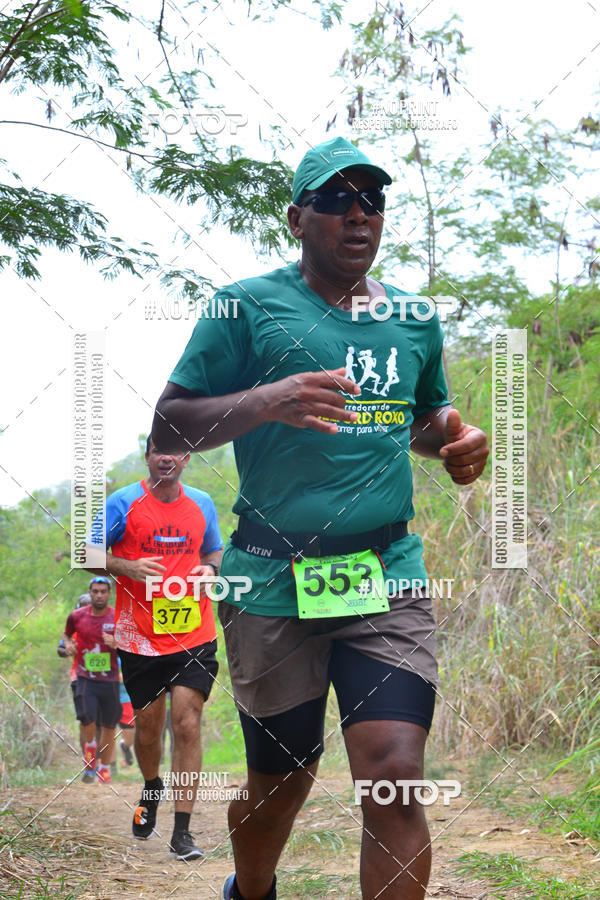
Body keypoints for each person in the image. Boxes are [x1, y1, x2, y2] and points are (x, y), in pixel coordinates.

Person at [151, 136, 489, 900]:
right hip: (272, 579)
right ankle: (254, 886)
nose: (358, 215)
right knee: (280, 782)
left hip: (384, 575)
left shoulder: (411, 318)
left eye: (372, 200)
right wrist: (266, 401)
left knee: (396, 773)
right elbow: (168, 428)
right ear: (298, 219)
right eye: (336, 200)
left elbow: (423, 417)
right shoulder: (245, 307)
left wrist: (456, 443)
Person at [88, 437, 223, 860]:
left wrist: (211, 568)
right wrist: (125, 566)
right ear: (147, 456)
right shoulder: (122, 503)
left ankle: (182, 832)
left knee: (187, 723)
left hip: (194, 633)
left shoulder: (202, 502)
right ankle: (151, 786)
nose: (168, 457)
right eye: (159, 449)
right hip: (140, 637)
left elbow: (214, 548)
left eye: (177, 450)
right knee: (147, 729)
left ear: (187, 458)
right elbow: (87, 552)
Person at [62, 578, 121, 784]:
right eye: (95, 591)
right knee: (87, 719)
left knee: (109, 726)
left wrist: (116, 643)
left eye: (103, 591)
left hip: (111, 678)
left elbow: (132, 642)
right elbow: (66, 635)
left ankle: (104, 768)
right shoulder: (76, 616)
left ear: (109, 594)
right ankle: (90, 746)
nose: (99, 595)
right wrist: (68, 645)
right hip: (85, 677)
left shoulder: (117, 616)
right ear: (90, 591)